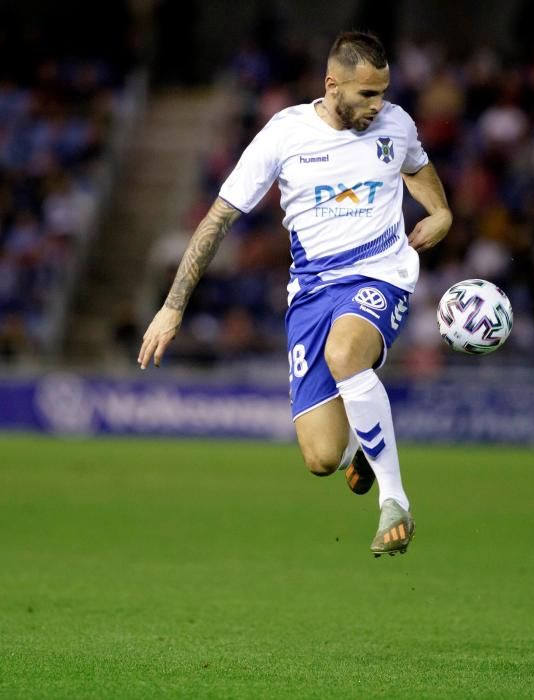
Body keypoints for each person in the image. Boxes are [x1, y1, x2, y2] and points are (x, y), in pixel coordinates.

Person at [137, 31, 453, 557]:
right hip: (311, 294)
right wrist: (172, 308)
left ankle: (395, 503)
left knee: (346, 352)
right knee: (321, 457)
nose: (379, 106)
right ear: (332, 85)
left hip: (381, 275)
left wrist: (441, 211)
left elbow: (417, 167)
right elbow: (217, 220)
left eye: (383, 93)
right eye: (366, 95)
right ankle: (360, 446)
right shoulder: (284, 135)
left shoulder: (395, 124)